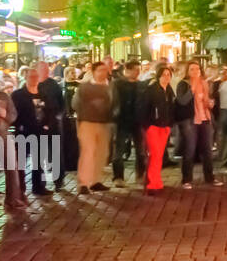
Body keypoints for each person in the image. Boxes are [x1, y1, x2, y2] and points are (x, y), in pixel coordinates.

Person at [12, 65, 61, 196]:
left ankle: (38, 186)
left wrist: (47, 125)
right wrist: (19, 126)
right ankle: (20, 189)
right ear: (26, 78)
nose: (34, 79)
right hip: (24, 131)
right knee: (21, 162)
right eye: (31, 77)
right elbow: (14, 113)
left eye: (36, 77)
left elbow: (51, 111)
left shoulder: (43, 94)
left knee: (39, 161)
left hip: (40, 131)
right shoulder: (18, 95)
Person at [0, 70, 26, 209]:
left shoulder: (3, 96)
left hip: (4, 134)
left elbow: (13, 114)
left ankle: (13, 198)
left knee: (12, 166)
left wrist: (5, 115)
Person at [72, 61, 114, 193]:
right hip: (88, 122)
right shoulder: (85, 87)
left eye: (105, 70)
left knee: (101, 153)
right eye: (100, 70)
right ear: (94, 72)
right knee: (88, 152)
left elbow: (115, 103)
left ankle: (96, 181)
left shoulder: (111, 87)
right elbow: (75, 103)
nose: (103, 73)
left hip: (104, 123)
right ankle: (83, 183)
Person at [176, 61, 219, 188]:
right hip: (190, 120)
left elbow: (206, 100)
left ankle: (210, 177)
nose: (195, 72)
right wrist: (192, 89)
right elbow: (182, 101)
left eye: (197, 69)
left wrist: (210, 103)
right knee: (190, 149)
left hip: (204, 118)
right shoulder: (183, 84)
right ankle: (186, 179)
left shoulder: (204, 84)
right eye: (192, 69)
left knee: (207, 150)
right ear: (187, 71)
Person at [137, 66, 176, 196]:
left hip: (164, 126)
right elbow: (143, 108)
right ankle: (151, 184)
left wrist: (170, 123)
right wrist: (147, 125)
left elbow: (171, 108)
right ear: (158, 76)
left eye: (168, 74)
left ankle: (156, 181)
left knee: (159, 155)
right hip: (153, 126)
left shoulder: (169, 91)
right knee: (154, 154)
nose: (166, 77)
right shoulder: (151, 90)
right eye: (164, 74)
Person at [110, 61, 145, 186]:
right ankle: (118, 177)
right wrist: (114, 115)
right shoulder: (117, 84)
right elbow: (112, 100)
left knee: (141, 150)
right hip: (121, 120)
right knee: (118, 150)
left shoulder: (141, 85)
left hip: (137, 120)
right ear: (128, 70)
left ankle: (140, 175)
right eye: (135, 69)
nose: (137, 72)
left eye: (138, 69)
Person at [34, 61, 67, 190]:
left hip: (53, 123)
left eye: (47, 69)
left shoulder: (53, 85)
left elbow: (62, 103)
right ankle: (40, 183)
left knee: (55, 152)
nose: (46, 71)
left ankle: (58, 179)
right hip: (38, 124)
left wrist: (59, 115)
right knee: (39, 154)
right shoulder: (33, 84)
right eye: (43, 69)